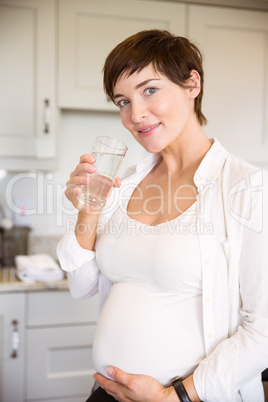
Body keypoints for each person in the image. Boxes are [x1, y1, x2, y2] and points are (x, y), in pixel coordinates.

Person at [57, 29, 268, 402]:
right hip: (106, 393)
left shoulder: (246, 188)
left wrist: (175, 397)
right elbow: (81, 286)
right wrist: (89, 211)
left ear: (192, 83)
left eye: (150, 90)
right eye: (122, 100)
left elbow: (263, 330)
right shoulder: (124, 185)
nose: (135, 114)